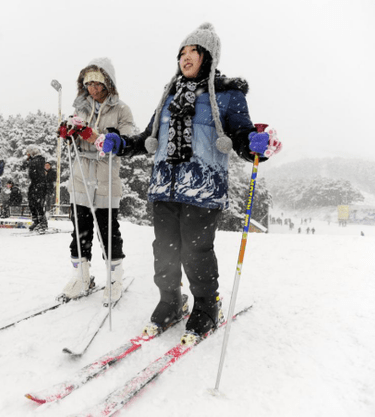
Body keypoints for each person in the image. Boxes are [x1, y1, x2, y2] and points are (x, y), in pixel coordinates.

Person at [110, 23, 281, 339]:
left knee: (196, 252)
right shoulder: (170, 93)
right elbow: (149, 137)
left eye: (193, 52)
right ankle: (171, 301)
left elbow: (242, 136)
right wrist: (121, 144)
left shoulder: (228, 96)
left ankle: (205, 306)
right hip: (164, 187)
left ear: (209, 56)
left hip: (203, 189)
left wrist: (256, 144)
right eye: (182, 53)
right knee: (164, 251)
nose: (185, 58)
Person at [60, 57, 135, 306]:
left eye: (98, 83)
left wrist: (98, 137)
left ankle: (114, 279)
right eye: (88, 83)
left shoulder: (121, 109)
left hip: (105, 174)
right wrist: (67, 132)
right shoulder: (81, 107)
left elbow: (127, 141)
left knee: (108, 230)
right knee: (80, 229)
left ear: (108, 84)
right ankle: (81, 276)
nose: (93, 88)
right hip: (81, 173)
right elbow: (74, 130)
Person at [24, 144, 48, 233]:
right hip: (34, 183)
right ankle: (36, 220)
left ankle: (42, 222)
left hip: (39, 183)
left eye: (28, 153)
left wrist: (29, 162)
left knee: (38, 203)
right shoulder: (34, 160)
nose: (27, 155)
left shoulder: (38, 159)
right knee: (31, 202)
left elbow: (34, 165)